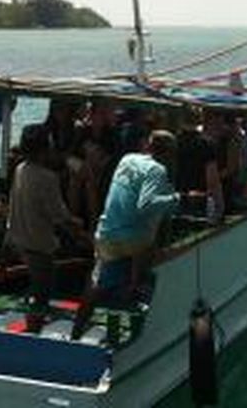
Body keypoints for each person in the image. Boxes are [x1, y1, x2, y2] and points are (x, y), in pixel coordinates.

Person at [71, 130, 180, 340]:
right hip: (132, 242)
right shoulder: (157, 170)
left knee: (96, 281)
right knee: (149, 236)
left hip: (105, 235)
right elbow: (145, 205)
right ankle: (134, 286)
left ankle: (77, 330)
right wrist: (173, 199)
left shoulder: (127, 158)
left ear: (148, 146)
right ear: (169, 154)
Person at [6, 124, 87, 332]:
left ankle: (33, 325)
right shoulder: (47, 177)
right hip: (39, 243)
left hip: (19, 237)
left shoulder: (20, 168)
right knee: (42, 293)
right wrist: (80, 230)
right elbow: (59, 216)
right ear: (45, 148)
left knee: (37, 287)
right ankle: (33, 334)